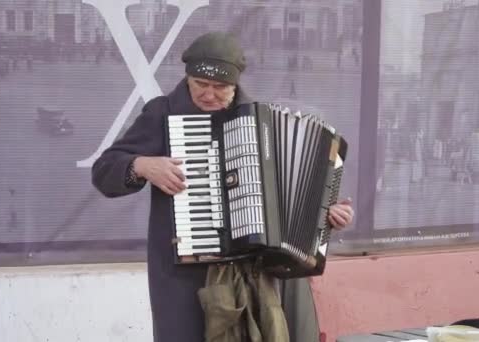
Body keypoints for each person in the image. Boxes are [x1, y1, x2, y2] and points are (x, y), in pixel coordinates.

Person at [91, 31, 354, 342]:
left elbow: (289, 202)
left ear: (235, 85)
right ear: (187, 77)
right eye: (200, 84)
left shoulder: (262, 123)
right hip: (188, 278)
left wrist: (326, 214)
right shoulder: (162, 114)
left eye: (220, 88)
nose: (209, 95)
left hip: (257, 276)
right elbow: (104, 170)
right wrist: (142, 165)